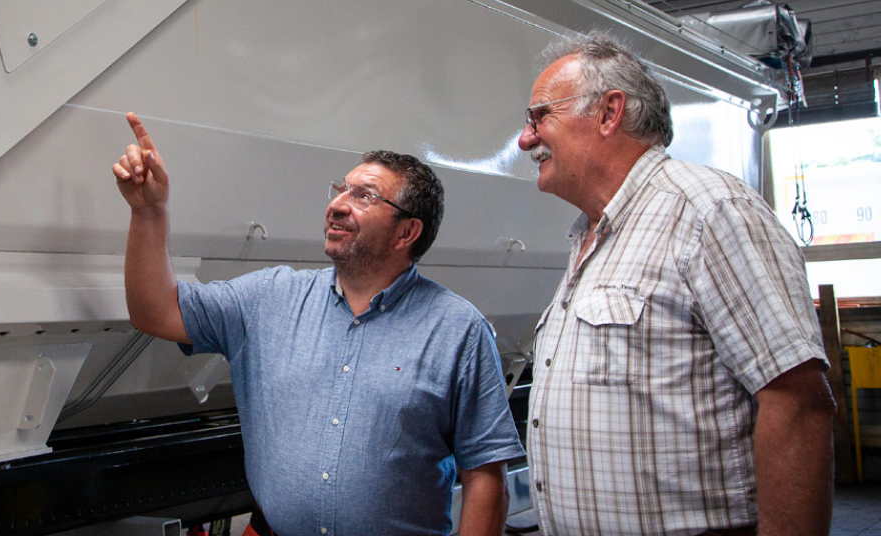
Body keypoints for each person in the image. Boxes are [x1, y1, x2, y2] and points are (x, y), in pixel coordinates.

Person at [112, 112, 523, 536]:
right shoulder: (268, 300)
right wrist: (148, 212)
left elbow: (485, 478)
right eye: (340, 189)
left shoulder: (457, 330)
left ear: (406, 233)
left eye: (364, 196)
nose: (338, 204)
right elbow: (156, 311)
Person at [518, 31, 836, 536]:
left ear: (608, 112)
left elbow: (797, 401)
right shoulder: (590, 234)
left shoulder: (708, 210)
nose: (526, 138)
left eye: (540, 117)